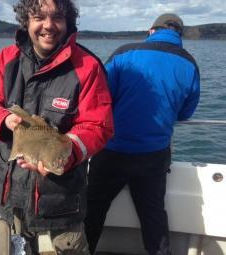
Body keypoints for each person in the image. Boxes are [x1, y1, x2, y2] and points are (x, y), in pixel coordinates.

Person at [0, 0, 114, 254]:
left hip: (63, 206)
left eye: (57, 17)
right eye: (39, 17)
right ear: (26, 21)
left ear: (68, 21)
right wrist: (3, 120)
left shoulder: (88, 66)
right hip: (10, 199)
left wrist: (67, 153)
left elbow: (98, 126)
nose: (48, 25)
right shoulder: (7, 59)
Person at [84, 13, 200, 255]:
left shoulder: (123, 53)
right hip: (154, 156)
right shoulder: (189, 63)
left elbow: (100, 96)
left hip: (112, 151)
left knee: (92, 210)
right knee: (153, 217)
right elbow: (186, 113)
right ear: (179, 34)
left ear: (151, 30)